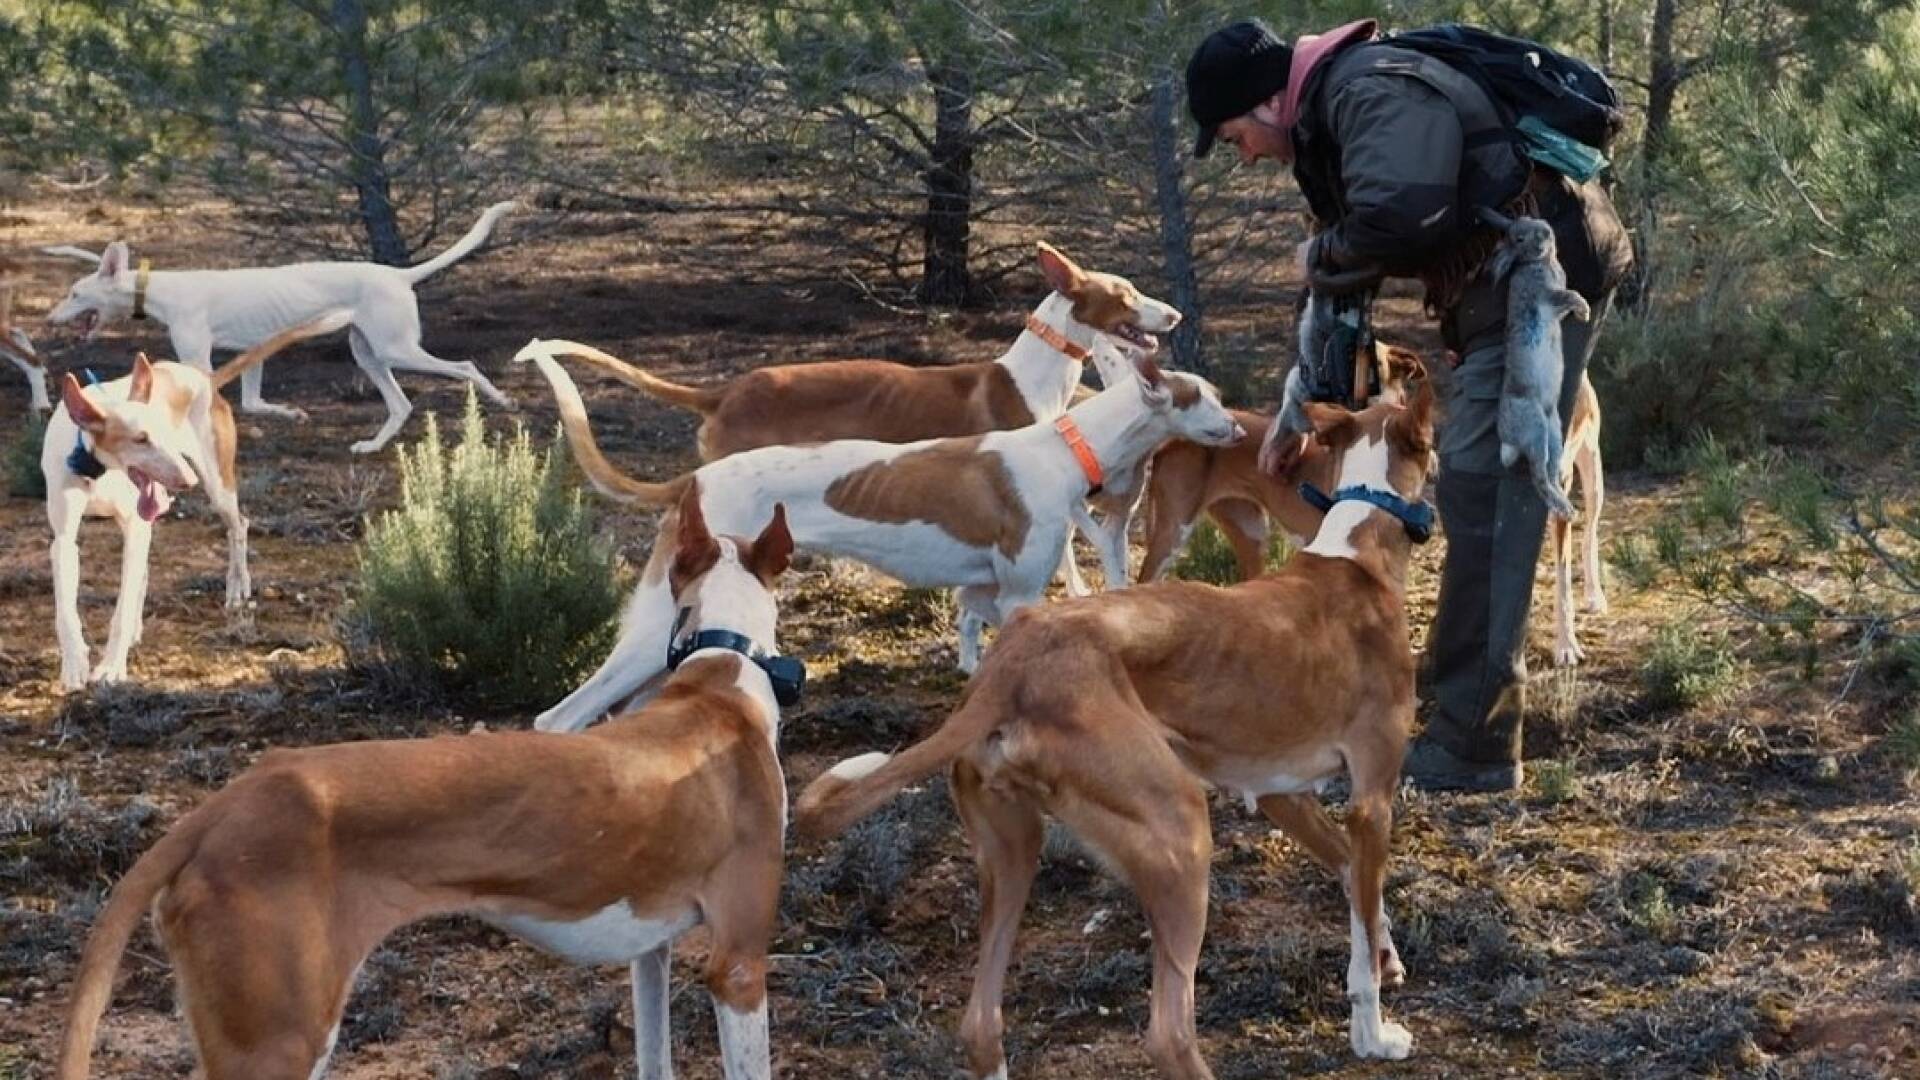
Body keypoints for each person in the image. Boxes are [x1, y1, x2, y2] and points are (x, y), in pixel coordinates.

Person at [1186, 17, 1634, 791]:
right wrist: (1302, 414)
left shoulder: (1364, 91)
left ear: (1264, 103)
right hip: (1493, 283)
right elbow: (1343, 281)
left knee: (1487, 490)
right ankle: (1451, 698)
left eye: (1233, 139)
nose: (1246, 156)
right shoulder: (1333, 116)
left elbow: (1402, 213)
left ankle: (1474, 745)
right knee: (1474, 482)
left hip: (1539, 280)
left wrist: (1325, 252)